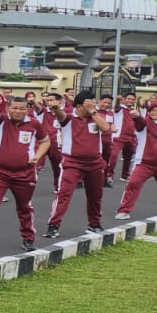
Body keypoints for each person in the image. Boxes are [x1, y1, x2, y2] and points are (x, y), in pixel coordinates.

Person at [0, 93, 50, 252]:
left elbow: (45, 141)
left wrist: (38, 156)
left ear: (27, 109)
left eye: (22, 109)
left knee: (24, 207)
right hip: (0, 172)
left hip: (25, 173)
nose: (18, 112)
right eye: (14, 108)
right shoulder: (0, 121)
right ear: (7, 108)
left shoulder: (33, 124)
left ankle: (28, 238)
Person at [44, 90, 112, 238]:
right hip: (72, 163)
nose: (92, 107)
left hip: (95, 163)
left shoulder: (95, 118)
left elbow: (106, 129)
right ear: (79, 106)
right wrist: (55, 107)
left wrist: (93, 111)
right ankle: (53, 224)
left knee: (96, 195)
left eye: (93, 104)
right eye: (88, 104)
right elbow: (60, 115)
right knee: (64, 194)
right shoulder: (68, 119)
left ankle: (94, 224)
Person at [115, 102, 157, 219]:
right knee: (133, 184)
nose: (155, 113)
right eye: (153, 110)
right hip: (144, 163)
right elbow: (139, 123)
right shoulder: (145, 123)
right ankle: (124, 210)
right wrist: (136, 116)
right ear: (149, 111)